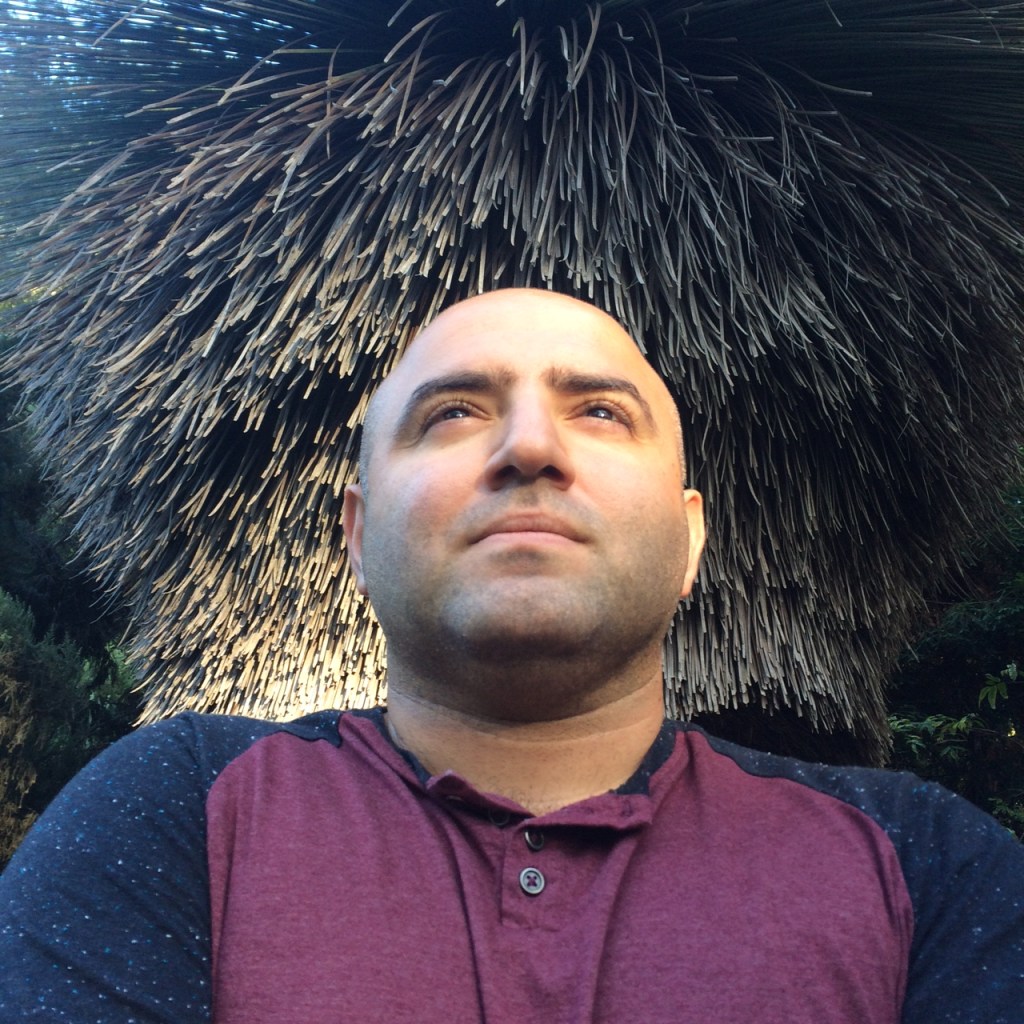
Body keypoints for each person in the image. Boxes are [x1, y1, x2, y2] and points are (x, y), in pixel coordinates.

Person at [1, 288, 1022, 1023]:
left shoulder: (927, 862)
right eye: (452, 412)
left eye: (600, 411)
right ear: (358, 533)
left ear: (688, 540)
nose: (529, 447)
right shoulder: (174, 809)